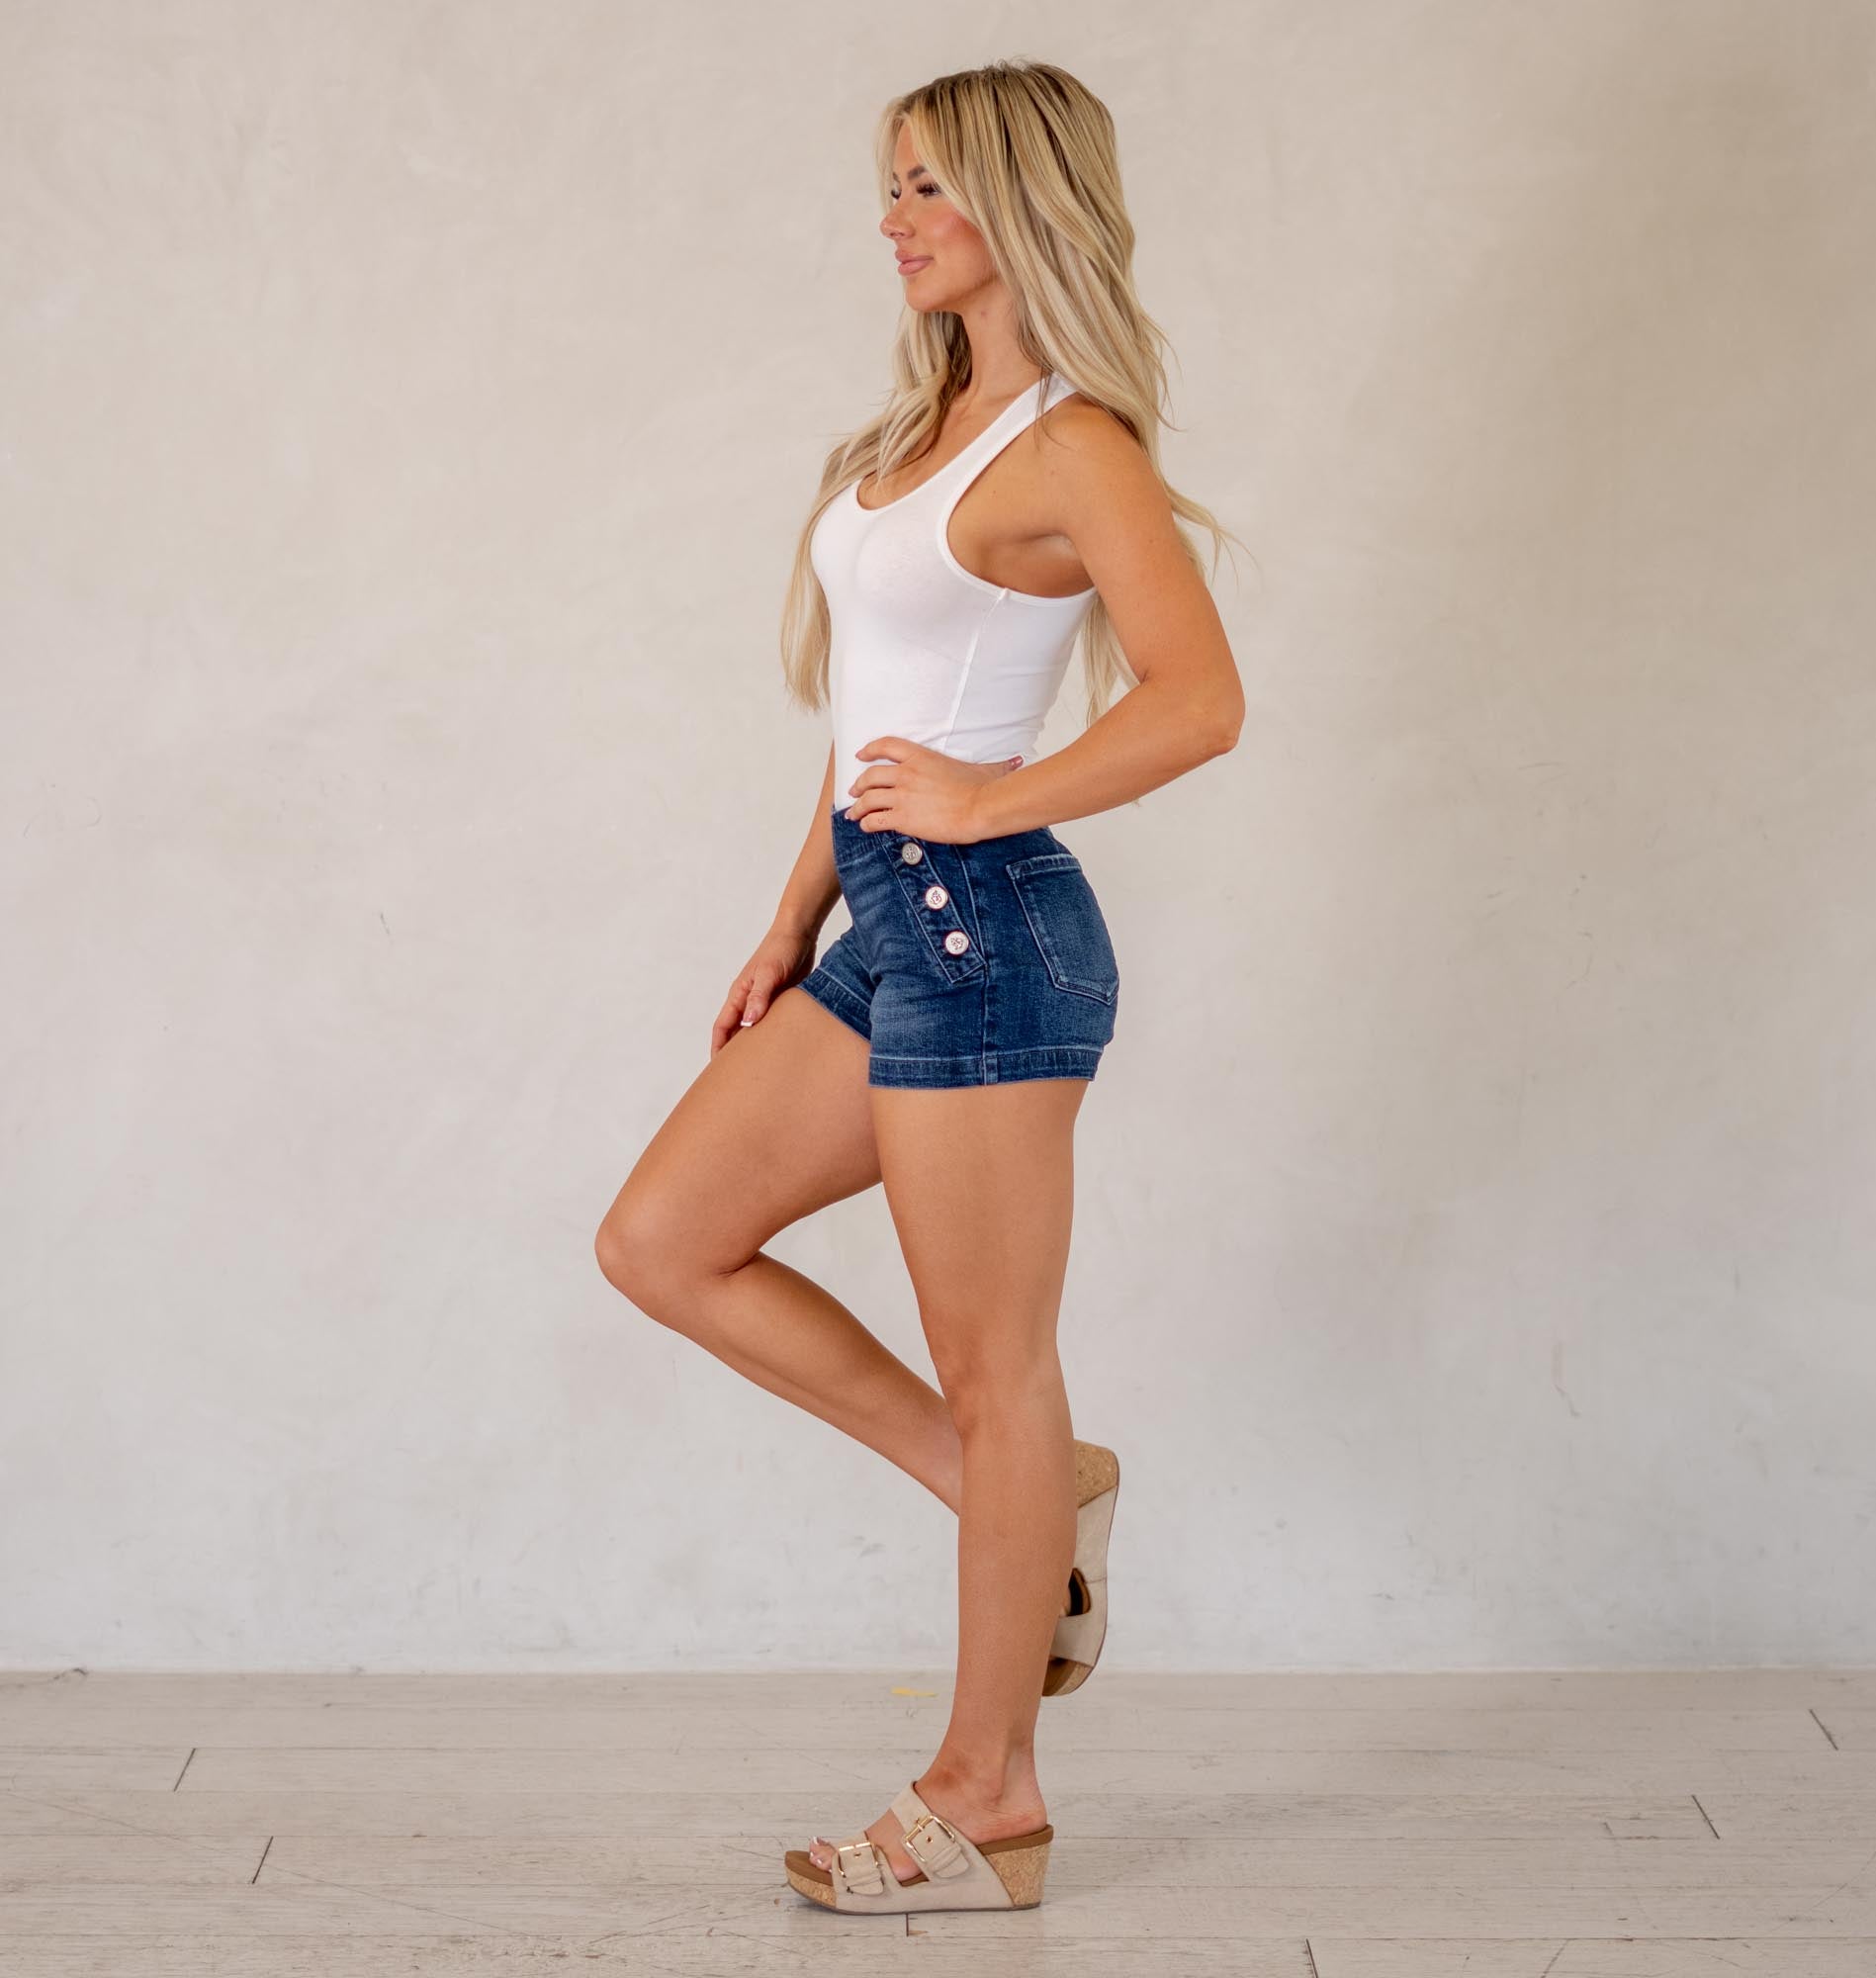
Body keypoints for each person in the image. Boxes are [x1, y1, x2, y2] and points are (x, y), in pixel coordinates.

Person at [594, 57, 1245, 1916]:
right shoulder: (916, 433)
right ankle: (1024, 1500)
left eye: (932, 186)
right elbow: (868, 721)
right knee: (662, 1243)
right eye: (889, 183)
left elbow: (1202, 701)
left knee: (997, 1368)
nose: (894, 218)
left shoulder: (1073, 448)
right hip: (881, 925)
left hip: (991, 935)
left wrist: (990, 798)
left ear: (1024, 203)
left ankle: (989, 1798)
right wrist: (787, 917)